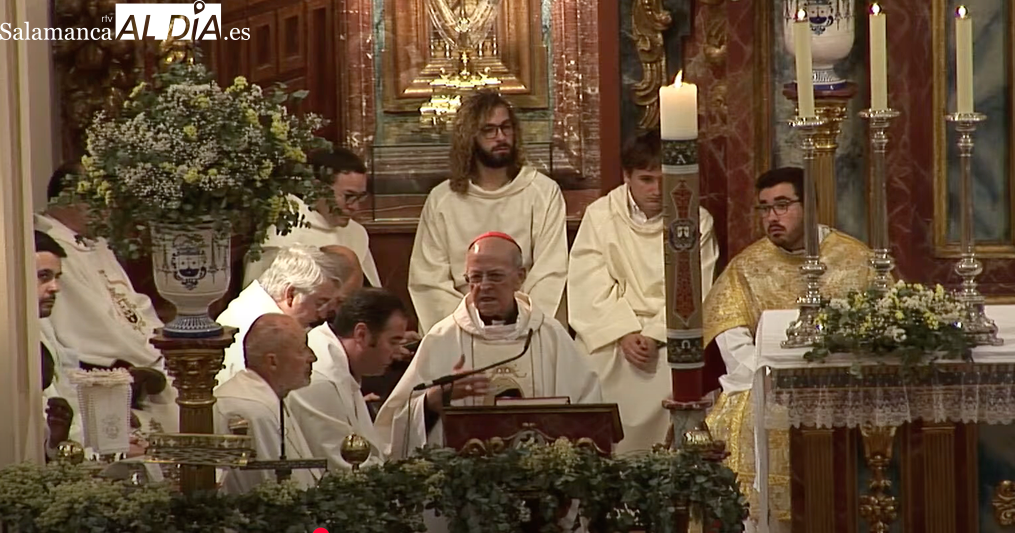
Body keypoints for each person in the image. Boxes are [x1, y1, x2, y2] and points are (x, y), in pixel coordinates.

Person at [702, 167, 873, 528]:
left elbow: (878, 327)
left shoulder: (855, 259)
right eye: (764, 208)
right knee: (740, 417)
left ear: (810, 206)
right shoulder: (748, 266)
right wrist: (769, 374)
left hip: (840, 387)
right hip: (767, 386)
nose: (772, 217)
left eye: (782, 205)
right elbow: (730, 334)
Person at [377, 233, 602, 459]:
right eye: (475, 277)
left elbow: (590, 408)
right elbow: (394, 424)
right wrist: (432, 402)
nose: (483, 286)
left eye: (495, 276)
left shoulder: (550, 336)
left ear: (520, 277)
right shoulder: (443, 338)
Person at [567, 131, 719, 454]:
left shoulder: (694, 219)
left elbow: (697, 288)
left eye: (664, 179)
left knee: (678, 379)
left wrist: (653, 335)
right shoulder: (600, 215)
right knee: (590, 374)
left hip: (668, 334)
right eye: (646, 179)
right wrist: (624, 332)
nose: (657, 190)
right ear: (627, 176)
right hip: (611, 333)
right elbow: (588, 283)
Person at [408, 90, 568, 334]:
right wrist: (470, 322)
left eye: (506, 128)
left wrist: (517, 319)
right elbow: (429, 280)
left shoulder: (543, 192)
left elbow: (550, 271)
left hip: (525, 322)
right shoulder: (443, 199)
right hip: (459, 324)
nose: (501, 137)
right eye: (489, 130)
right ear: (470, 138)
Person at [36, 165, 177, 432]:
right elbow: (94, 324)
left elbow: (132, 302)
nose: (108, 209)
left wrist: (161, 345)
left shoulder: (94, 242)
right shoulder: (50, 247)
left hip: (143, 357)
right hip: (108, 375)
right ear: (69, 198)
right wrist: (150, 357)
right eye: (98, 198)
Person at [289, 288, 409, 469]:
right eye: (393, 342)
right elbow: (342, 467)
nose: (398, 352)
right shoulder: (319, 378)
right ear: (361, 334)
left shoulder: (342, 365)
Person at [214, 313, 321, 493]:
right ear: (273, 361)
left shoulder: (267, 396)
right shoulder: (253, 410)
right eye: (303, 349)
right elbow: (271, 491)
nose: (312, 357)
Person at [243, 148, 381, 288]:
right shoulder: (283, 232)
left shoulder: (355, 232)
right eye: (349, 196)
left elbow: (372, 295)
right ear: (317, 189)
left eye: (360, 197)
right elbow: (260, 297)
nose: (355, 207)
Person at [215, 245, 347, 387]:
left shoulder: (255, 306)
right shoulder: (255, 330)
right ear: (290, 294)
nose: (322, 314)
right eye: (319, 303)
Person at [34, 230, 81, 456]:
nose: (55, 287)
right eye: (43, 276)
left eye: (56, 277)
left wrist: (56, 443)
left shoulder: (43, 328)